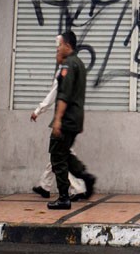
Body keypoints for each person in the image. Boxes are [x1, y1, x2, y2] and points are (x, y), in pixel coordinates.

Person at [30, 48, 89, 201]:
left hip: (65, 121)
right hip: (72, 120)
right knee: (59, 155)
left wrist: (39, 110)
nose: (55, 54)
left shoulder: (66, 70)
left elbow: (54, 94)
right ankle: (45, 185)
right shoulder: (76, 66)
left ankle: (78, 187)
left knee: (61, 156)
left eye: (58, 51)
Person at [47, 31, 95, 210]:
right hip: (76, 118)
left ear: (68, 45)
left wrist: (58, 120)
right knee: (64, 153)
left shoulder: (69, 64)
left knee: (57, 157)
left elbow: (64, 96)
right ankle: (85, 176)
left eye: (60, 45)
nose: (58, 49)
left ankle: (63, 197)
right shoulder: (79, 63)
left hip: (66, 119)